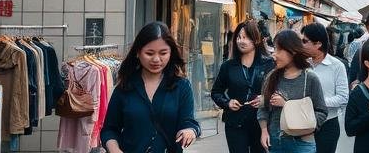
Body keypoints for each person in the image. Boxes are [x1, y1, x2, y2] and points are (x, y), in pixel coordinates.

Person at [100, 21, 201, 153]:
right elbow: (109, 129)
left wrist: (190, 131)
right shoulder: (125, 86)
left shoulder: (181, 86)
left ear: (171, 53)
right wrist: (114, 149)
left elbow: (189, 122)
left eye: (163, 53)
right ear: (138, 53)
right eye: (149, 53)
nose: (156, 59)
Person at [259, 30, 329, 153]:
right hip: (276, 142)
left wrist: (305, 126)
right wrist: (264, 131)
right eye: (274, 49)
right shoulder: (271, 77)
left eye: (278, 50)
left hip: (302, 144)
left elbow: (322, 111)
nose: (274, 54)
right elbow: (263, 108)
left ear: (293, 50)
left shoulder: (310, 78)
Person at [211, 21, 274, 153]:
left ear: (256, 39)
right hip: (235, 123)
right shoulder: (228, 66)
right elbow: (216, 92)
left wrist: (265, 98)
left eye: (246, 37)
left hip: (261, 123)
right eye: (239, 37)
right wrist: (227, 102)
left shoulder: (268, 64)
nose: (241, 41)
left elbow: (278, 91)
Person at [301, 23, 349, 153]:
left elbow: (343, 98)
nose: (302, 44)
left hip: (328, 124)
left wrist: (318, 103)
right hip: (302, 123)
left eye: (305, 41)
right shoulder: (302, 65)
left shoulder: (337, 66)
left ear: (318, 44)